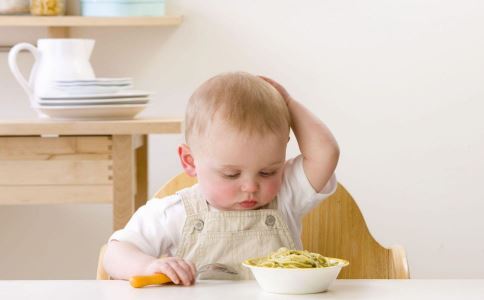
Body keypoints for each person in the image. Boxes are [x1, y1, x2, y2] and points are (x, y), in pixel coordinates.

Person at [103, 72, 339, 285]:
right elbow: (115, 254)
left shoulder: (287, 197)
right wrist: (148, 265)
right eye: (231, 174)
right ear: (190, 161)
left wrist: (289, 105)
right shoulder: (174, 213)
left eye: (268, 172)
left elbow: (325, 153)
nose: (250, 187)